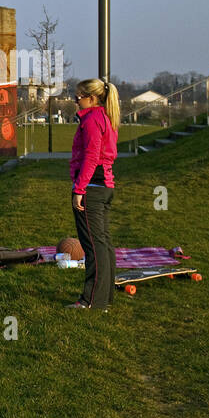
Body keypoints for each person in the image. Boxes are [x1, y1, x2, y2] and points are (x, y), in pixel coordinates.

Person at [67, 78, 120, 310]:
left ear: (91, 98)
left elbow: (91, 157)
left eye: (78, 96)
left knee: (94, 247)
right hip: (104, 187)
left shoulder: (91, 120)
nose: (75, 100)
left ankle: (92, 301)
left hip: (93, 189)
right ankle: (104, 298)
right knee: (103, 244)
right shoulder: (105, 118)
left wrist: (79, 189)